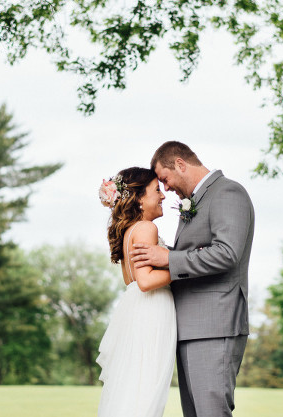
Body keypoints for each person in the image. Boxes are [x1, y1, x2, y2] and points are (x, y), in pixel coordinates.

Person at [132, 141, 255, 417]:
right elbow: (194, 252)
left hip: (215, 325)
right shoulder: (196, 200)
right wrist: (161, 253)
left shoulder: (227, 192)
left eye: (165, 179)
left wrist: (168, 258)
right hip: (190, 327)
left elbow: (227, 253)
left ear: (180, 164)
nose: (165, 189)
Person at [95, 167, 177, 417]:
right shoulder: (145, 228)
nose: (163, 195)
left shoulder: (130, 230)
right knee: (146, 389)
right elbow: (145, 281)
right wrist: (187, 267)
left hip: (138, 310)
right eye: (156, 190)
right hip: (151, 311)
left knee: (136, 386)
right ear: (139, 197)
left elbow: (130, 280)